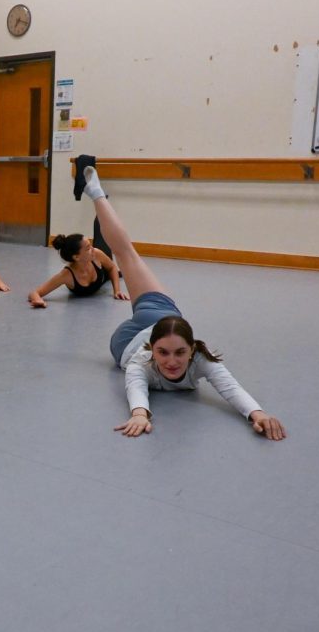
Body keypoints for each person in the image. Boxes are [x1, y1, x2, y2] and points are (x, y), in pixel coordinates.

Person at [79, 163, 286, 440]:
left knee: (128, 256)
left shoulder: (201, 358)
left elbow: (230, 387)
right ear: (153, 349)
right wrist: (140, 413)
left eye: (180, 353)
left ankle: (97, 194)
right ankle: (97, 194)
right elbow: (135, 384)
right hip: (146, 327)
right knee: (127, 254)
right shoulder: (145, 359)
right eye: (163, 353)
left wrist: (257, 413)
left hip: (144, 335)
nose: (172, 362)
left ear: (192, 350)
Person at [28, 232, 126, 306]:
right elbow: (35, 293)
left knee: (102, 230)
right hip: (100, 272)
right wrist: (38, 300)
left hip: (104, 267)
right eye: (88, 248)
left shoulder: (96, 253)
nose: (92, 249)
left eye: (90, 245)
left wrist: (116, 291)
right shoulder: (66, 275)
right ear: (76, 257)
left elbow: (112, 267)